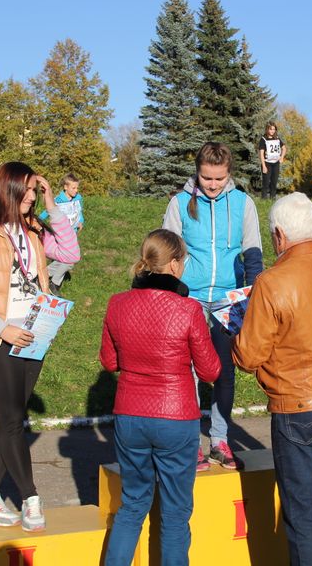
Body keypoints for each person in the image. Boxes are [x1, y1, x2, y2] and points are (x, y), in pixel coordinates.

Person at [232, 192, 312, 565]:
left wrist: (235, 333)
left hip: (297, 406)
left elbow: (249, 354)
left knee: (304, 518)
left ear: (278, 236)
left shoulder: (272, 282)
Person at [0, 161, 80, 533]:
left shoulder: (33, 227)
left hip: (34, 334)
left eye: (33, 189)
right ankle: (30, 498)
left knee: (9, 419)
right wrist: (1, 328)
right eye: (25, 190)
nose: (30, 196)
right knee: (12, 420)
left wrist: (51, 204)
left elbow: (70, 254)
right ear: (7, 189)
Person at [100, 229, 221, 565]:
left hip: (130, 414)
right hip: (176, 416)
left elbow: (109, 362)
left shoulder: (117, 304)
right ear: (173, 265)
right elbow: (210, 371)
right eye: (182, 261)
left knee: (132, 505)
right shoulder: (189, 310)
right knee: (176, 512)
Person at [162, 142, 263, 471]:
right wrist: (172, 293)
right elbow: (167, 251)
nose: (213, 184)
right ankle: (191, 442)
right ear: (198, 172)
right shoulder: (179, 203)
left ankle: (220, 439)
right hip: (189, 296)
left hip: (228, 299)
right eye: (207, 178)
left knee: (223, 370)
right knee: (187, 372)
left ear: (229, 174)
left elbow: (252, 251)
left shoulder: (243, 203)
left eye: (219, 179)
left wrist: (251, 293)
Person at [39, 173, 84, 295]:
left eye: (77, 188)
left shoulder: (78, 199)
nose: (76, 190)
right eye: (73, 188)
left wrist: (81, 221)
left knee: (66, 259)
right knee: (70, 260)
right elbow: (48, 212)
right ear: (65, 187)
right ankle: (54, 283)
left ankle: (43, 274)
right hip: (61, 236)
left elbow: (79, 212)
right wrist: (37, 221)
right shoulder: (58, 201)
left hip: (72, 234)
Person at [258, 122, 287, 200]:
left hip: (276, 164)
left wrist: (281, 157)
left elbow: (284, 148)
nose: (272, 131)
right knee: (266, 183)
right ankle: (263, 200)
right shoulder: (263, 139)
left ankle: (272, 199)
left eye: (274, 129)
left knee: (274, 183)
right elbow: (261, 153)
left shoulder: (277, 138)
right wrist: (263, 166)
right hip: (267, 163)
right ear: (267, 129)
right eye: (271, 129)